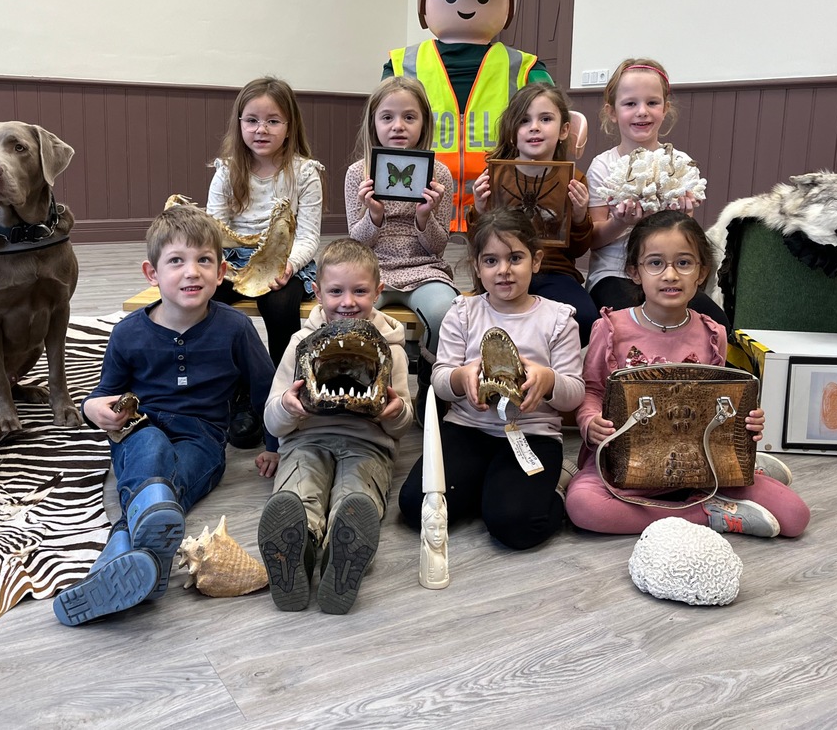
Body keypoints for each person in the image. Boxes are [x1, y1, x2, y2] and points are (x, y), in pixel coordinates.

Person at [53, 204, 275, 625]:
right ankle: (145, 550)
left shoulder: (235, 328)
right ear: (151, 273)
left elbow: (265, 389)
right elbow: (105, 394)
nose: (192, 272)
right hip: (140, 427)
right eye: (176, 261)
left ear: (221, 271)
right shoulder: (129, 332)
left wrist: (274, 445)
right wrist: (89, 408)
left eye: (204, 260)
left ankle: (119, 556)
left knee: (165, 491)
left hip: (204, 438)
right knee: (151, 448)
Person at [566, 210, 810, 538]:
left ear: (701, 272)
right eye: (655, 263)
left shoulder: (712, 333)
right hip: (624, 464)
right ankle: (707, 513)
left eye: (683, 263)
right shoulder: (611, 328)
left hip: (698, 462)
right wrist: (590, 421)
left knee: (795, 518)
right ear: (633, 272)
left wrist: (744, 423)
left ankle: (740, 471)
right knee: (583, 507)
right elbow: (592, 391)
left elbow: (719, 403)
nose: (670, 275)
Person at [385, 0, 586, 231]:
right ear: (424, 0)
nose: (466, 4)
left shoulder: (525, 67)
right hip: (419, 217)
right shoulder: (400, 64)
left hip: (499, 215)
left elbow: (554, 113)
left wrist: (571, 123)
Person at [398, 208, 585, 550]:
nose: (504, 270)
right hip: (467, 428)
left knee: (517, 526)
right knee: (414, 507)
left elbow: (574, 395)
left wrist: (549, 380)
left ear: (536, 261)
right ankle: (492, 489)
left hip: (531, 434)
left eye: (515, 258)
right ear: (477, 266)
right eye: (491, 261)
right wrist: (460, 376)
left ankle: (552, 487)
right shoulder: (463, 312)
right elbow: (440, 378)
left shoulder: (558, 320)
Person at [258, 239, 414, 614]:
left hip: (368, 445)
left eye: (360, 291)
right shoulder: (299, 344)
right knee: (298, 491)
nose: (348, 302)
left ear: (378, 291)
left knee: (356, 498)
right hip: (305, 440)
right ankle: (300, 548)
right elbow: (272, 417)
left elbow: (403, 421)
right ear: (316, 293)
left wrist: (393, 414)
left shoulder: (392, 351)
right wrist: (287, 407)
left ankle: (338, 557)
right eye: (336, 291)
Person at [585, 59, 729, 329]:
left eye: (652, 103)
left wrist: (683, 214)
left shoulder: (679, 163)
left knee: (715, 322)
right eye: (630, 104)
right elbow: (593, 239)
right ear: (612, 111)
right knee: (626, 325)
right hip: (616, 273)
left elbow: (682, 233)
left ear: (665, 109)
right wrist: (621, 222)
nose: (642, 112)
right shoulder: (603, 165)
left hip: (668, 273)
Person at [345, 76, 459, 406]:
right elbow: (357, 244)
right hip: (372, 268)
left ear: (423, 123)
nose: (399, 126)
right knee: (350, 313)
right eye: (387, 117)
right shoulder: (359, 173)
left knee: (446, 312)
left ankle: (430, 382)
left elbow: (437, 248)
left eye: (409, 117)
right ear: (374, 124)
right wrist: (375, 216)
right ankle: (367, 383)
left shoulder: (439, 175)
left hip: (423, 268)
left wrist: (424, 217)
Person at [207, 76, 325, 366]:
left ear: (289, 127)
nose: (261, 129)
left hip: (285, 258)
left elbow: (308, 236)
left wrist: (289, 265)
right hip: (232, 258)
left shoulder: (305, 173)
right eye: (252, 120)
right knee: (207, 297)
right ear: (240, 124)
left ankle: (286, 379)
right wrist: (217, 265)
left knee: (280, 304)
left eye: (273, 121)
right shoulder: (227, 170)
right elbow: (214, 229)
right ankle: (226, 376)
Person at [470, 82, 599, 346]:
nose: (535, 127)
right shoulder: (494, 177)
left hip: (554, 270)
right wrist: (480, 210)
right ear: (511, 131)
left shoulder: (574, 180)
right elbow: (478, 243)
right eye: (524, 120)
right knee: (487, 319)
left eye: (546, 119)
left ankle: (553, 369)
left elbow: (577, 250)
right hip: (503, 270)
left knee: (585, 318)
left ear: (564, 130)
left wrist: (579, 216)